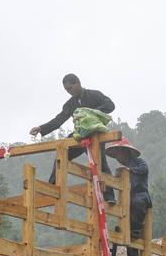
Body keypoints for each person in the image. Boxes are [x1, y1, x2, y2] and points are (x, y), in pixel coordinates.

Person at [30, 73, 116, 203]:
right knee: (62, 154)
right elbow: (59, 120)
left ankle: (110, 196)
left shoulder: (94, 95)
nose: (69, 92)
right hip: (79, 135)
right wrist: (41, 128)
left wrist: (91, 112)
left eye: (70, 88)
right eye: (66, 90)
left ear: (78, 83)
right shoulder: (70, 104)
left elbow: (110, 106)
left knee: (101, 164)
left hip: (96, 135)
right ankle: (52, 184)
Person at [105, 139, 151, 256]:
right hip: (127, 200)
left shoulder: (139, 162)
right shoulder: (120, 169)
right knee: (125, 228)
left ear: (125, 152)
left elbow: (144, 169)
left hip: (139, 197)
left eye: (118, 154)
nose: (118, 157)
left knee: (133, 230)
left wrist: (128, 170)